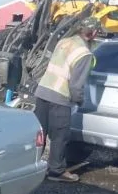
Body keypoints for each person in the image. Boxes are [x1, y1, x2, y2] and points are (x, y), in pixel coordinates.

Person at [33, 17, 99, 182]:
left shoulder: (64, 41)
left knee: (40, 132)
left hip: (43, 91)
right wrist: (80, 101)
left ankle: (31, 166)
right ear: (94, 33)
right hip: (59, 96)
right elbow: (76, 86)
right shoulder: (84, 54)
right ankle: (56, 171)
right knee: (60, 136)